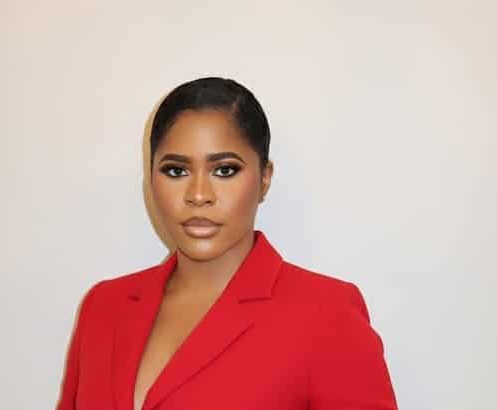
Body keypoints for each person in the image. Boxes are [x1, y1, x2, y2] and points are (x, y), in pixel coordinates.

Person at [56, 77, 398, 410]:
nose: (198, 195)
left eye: (224, 170)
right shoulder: (103, 308)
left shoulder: (327, 316)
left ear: (265, 179)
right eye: (176, 171)